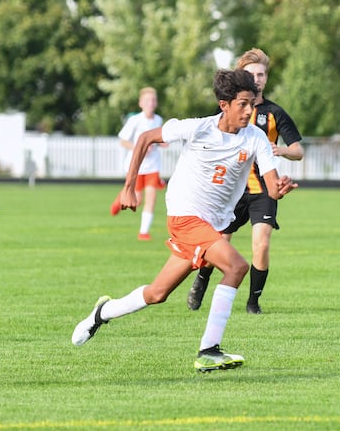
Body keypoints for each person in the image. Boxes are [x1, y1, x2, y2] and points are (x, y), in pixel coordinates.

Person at [72, 69, 298, 372]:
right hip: (184, 215)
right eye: (242, 104)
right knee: (237, 266)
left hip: (211, 224)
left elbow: (271, 186)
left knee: (157, 293)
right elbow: (145, 138)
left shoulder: (256, 138)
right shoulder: (198, 128)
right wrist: (129, 187)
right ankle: (209, 349)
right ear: (224, 104)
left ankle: (102, 313)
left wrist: (280, 189)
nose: (249, 111)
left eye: (252, 104)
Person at [186, 48, 304, 315]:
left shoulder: (275, 113)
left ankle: (253, 302)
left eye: (262, 74)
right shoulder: (229, 109)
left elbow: (298, 150)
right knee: (218, 242)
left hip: (263, 188)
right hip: (231, 189)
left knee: (261, 243)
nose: (258, 79)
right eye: (252, 74)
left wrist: (281, 150)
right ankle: (202, 279)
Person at [109, 87, 166, 240]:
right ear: (141, 103)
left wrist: (162, 144)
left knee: (151, 198)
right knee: (137, 200)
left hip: (153, 166)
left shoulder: (158, 120)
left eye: (153, 100)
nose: (150, 103)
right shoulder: (135, 120)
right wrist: (138, 148)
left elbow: (158, 139)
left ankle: (143, 232)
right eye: (147, 100)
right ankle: (120, 200)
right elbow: (123, 141)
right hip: (136, 166)